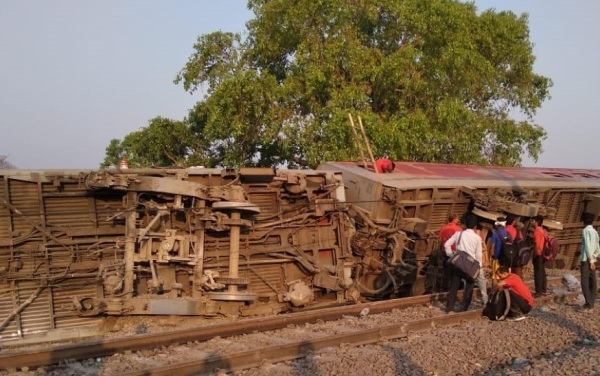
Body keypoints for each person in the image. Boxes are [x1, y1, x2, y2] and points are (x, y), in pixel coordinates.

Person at [444, 214, 482, 313]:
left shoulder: (459, 234)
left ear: (465, 225)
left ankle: (449, 308)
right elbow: (478, 255)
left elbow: (446, 244)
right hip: (470, 265)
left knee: (454, 286)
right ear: (475, 227)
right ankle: (464, 308)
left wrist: (451, 255)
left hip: (458, 264)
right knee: (469, 287)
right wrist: (479, 267)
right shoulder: (477, 238)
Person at [436, 214, 462, 291]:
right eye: (457, 219)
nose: (458, 220)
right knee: (452, 272)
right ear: (454, 219)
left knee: (444, 270)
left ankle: (442, 287)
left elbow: (440, 240)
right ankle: (449, 288)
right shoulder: (459, 229)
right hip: (454, 253)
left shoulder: (443, 227)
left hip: (444, 251)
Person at [580, 213, 599, 309]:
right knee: (593, 281)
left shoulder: (585, 231)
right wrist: (594, 258)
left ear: (584, 221)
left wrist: (590, 260)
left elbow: (587, 246)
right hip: (593, 259)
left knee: (584, 281)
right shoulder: (595, 232)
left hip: (586, 259)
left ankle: (588, 303)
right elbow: (597, 247)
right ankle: (592, 300)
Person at [532, 215, 548, 296]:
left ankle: (538, 292)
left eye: (533, 221)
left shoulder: (537, 231)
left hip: (538, 254)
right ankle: (543, 290)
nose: (532, 222)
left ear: (536, 222)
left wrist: (534, 254)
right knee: (542, 272)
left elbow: (537, 244)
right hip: (542, 254)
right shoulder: (543, 230)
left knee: (537, 273)